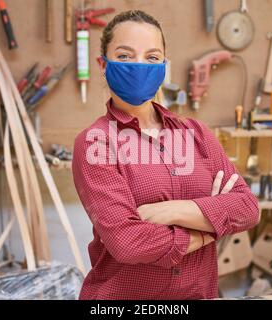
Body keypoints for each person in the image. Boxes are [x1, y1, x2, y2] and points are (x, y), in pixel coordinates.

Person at [72, 10, 260, 300]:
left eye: (151, 57)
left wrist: (172, 210)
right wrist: (210, 225)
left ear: (163, 65)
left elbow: (247, 208)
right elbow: (128, 243)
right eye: (124, 56)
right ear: (102, 65)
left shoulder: (196, 133)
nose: (139, 65)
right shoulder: (95, 143)